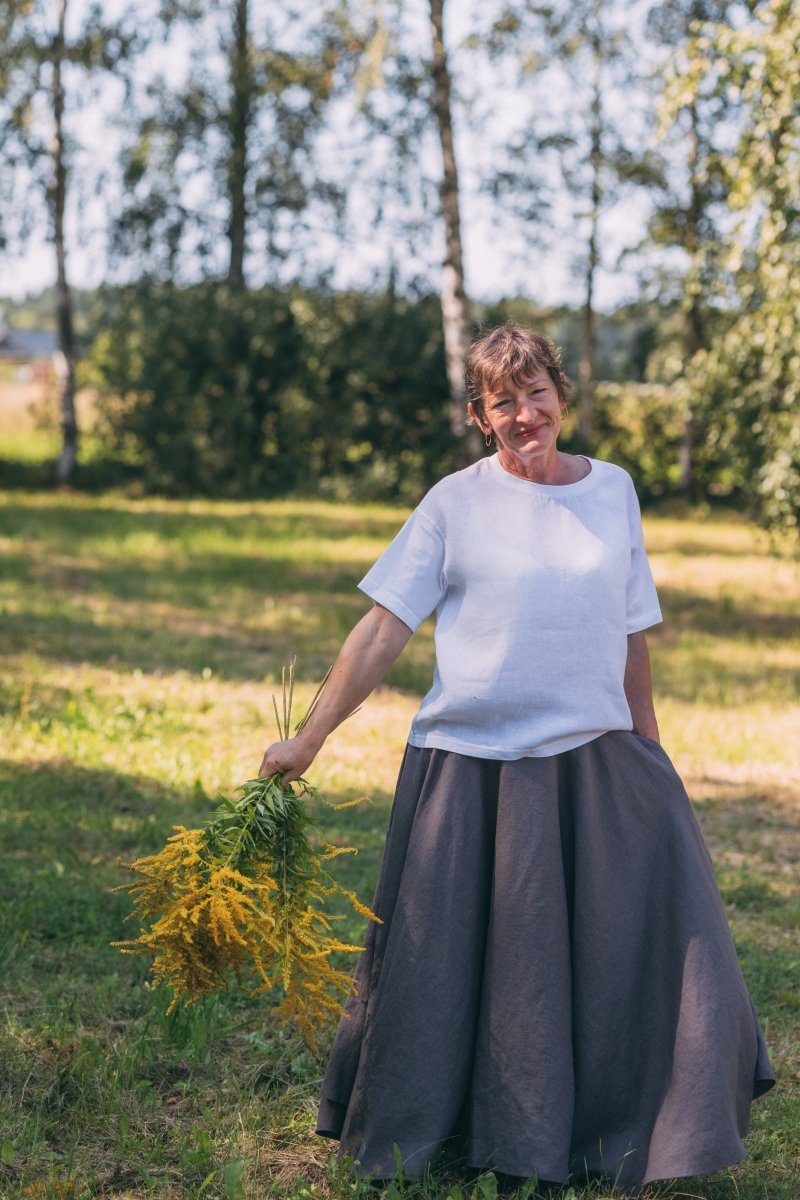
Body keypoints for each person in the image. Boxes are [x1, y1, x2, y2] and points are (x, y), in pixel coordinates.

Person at [258, 323, 774, 1194]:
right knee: (447, 975)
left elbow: (632, 634)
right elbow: (384, 627)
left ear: (562, 396)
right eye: (505, 401)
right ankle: (450, 1129)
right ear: (479, 414)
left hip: (593, 760)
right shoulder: (452, 504)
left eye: (538, 393)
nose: (525, 414)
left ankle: (616, 1128)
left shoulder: (614, 491)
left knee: (646, 952)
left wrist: (649, 754)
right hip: (468, 767)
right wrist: (308, 739)